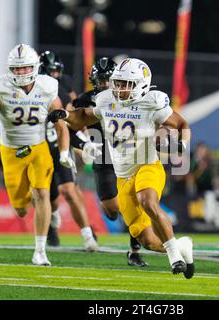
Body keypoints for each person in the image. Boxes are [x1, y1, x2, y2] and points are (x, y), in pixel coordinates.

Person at [48, 58, 195, 278]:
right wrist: (66, 116)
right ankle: (182, 246)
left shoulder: (152, 101)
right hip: (122, 175)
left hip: (147, 164)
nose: (119, 88)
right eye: (118, 82)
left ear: (142, 84)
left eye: (127, 84)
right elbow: (84, 118)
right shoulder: (106, 99)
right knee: (147, 240)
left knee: (148, 200)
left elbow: (182, 124)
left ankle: (174, 257)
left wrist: (181, 145)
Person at [0, 44, 76, 266]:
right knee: (22, 209)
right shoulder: (2, 90)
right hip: (11, 151)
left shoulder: (47, 88)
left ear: (34, 68)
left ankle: (41, 251)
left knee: (42, 193)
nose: (21, 73)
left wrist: (64, 152)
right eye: (16, 69)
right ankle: (41, 214)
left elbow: (61, 125)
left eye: (25, 68)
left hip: (38, 148)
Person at [72, 56, 148, 266]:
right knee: (112, 209)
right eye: (101, 79)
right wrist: (83, 145)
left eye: (109, 79)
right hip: (103, 156)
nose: (105, 84)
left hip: (127, 155)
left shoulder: (130, 97)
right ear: (93, 80)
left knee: (131, 204)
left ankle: (134, 250)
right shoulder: (85, 100)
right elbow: (70, 129)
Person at [39, 50, 99, 251]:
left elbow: (72, 119)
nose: (54, 75)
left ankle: (88, 234)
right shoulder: (31, 93)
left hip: (59, 146)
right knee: (49, 199)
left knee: (70, 190)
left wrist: (84, 142)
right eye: (50, 72)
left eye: (56, 72)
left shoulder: (63, 90)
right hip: (40, 150)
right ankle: (50, 225)